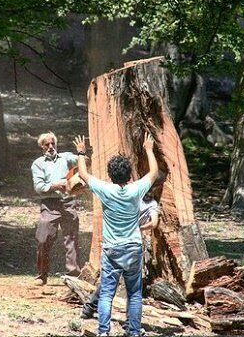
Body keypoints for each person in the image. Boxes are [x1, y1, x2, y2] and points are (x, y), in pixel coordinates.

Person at [73, 133, 158, 337]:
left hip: (112, 249)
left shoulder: (105, 189)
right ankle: (134, 332)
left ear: (110, 175)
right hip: (134, 247)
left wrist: (82, 152)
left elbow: (83, 174)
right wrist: (148, 149)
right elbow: (154, 173)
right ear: (129, 175)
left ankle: (104, 332)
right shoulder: (136, 190)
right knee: (135, 294)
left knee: (106, 294)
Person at [80, 188, 161, 320]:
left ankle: (91, 309)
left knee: (113, 281)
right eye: (149, 190)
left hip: (121, 243)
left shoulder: (151, 203)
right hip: (125, 245)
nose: (150, 192)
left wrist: (138, 228)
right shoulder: (135, 197)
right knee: (129, 286)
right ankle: (93, 309)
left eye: (152, 190)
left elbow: (154, 222)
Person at [31, 131, 81, 286]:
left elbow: (83, 162)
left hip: (68, 203)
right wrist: (55, 185)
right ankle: (41, 275)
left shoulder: (66, 157)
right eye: (47, 144)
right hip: (49, 205)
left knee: (71, 240)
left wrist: (82, 152)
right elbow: (39, 187)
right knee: (43, 239)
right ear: (41, 147)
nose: (51, 147)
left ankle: (73, 275)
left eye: (53, 144)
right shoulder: (38, 163)